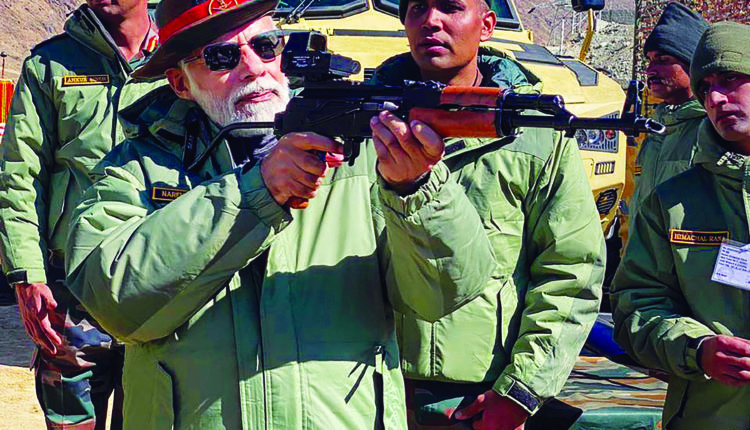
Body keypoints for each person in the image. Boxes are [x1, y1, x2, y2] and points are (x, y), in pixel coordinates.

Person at [63, 0, 495, 428]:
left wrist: (415, 191)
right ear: (180, 82)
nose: (253, 67)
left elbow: (445, 295)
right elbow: (112, 302)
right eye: (221, 57)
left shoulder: (360, 157)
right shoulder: (135, 166)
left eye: (267, 46)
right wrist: (257, 190)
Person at [368, 0, 605, 428]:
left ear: (487, 25)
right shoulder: (361, 124)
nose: (431, 21)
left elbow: (571, 270)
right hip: (370, 387)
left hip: (480, 399)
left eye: (451, 7)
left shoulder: (535, 131)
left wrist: (520, 393)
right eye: (417, 8)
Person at [0, 1, 162, 428]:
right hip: (71, 287)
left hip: (162, 285)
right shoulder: (50, 64)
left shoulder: (184, 57)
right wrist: (26, 272)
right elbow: (19, 176)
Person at [611, 21, 750, 430]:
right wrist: (696, 348)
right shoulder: (673, 202)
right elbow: (635, 303)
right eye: (705, 87)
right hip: (709, 417)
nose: (716, 98)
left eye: (730, 79)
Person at [626, 2, 709, 231]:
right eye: (649, 60)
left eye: (663, 61)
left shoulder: (712, 132)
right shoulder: (656, 131)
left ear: (694, 66)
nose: (651, 70)